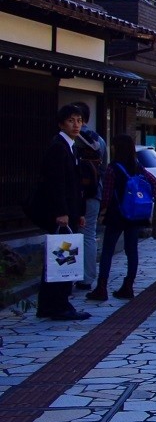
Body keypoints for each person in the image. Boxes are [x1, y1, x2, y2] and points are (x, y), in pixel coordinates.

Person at [35, 105, 91, 321]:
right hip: (62, 213)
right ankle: (58, 304)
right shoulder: (58, 147)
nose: (76, 125)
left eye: (79, 120)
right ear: (61, 123)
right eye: (71, 121)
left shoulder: (71, 147)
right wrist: (62, 211)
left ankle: (50, 304)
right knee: (63, 258)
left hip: (71, 211)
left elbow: (75, 185)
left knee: (58, 258)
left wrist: (80, 212)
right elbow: (55, 183)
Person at [86, 134, 156, 302]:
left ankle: (101, 288)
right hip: (134, 214)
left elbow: (107, 193)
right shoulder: (137, 165)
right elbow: (153, 182)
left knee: (108, 251)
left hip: (117, 214)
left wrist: (102, 211)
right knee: (132, 250)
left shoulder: (113, 168)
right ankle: (128, 286)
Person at [71, 101, 106, 290]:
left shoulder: (72, 140)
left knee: (70, 234)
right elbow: (103, 169)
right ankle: (87, 277)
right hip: (93, 192)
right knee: (89, 234)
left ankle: (69, 275)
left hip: (75, 195)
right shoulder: (98, 140)